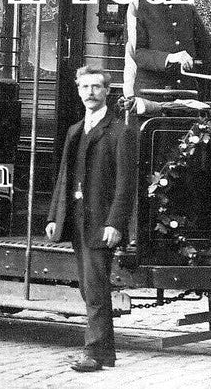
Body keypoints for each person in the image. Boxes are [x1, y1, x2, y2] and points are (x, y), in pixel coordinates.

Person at [46, 65, 135, 372]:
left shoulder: (121, 131)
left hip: (100, 222)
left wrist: (115, 223)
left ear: (107, 91)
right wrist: (54, 216)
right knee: (88, 288)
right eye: (85, 87)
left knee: (95, 289)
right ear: (78, 90)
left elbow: (126, 184)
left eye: (96, 87)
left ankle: (94, 353)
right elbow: (64, 177)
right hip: (77, 220)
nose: (90, 93)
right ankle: (105, 354)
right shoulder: (75, 130)